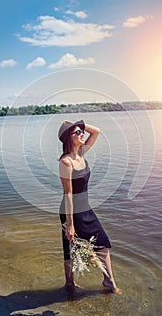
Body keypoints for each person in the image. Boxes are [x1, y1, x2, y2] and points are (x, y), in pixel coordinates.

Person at [58, 119, 121, 294]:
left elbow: (97, 131)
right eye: (76, 133)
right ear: (68, 139)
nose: (81, 134)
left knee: (102, 242)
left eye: (81, 132)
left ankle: (108, 280)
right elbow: (68, 194)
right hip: (72, 212)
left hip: (85, 208)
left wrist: (77, 125)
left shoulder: (81, 153)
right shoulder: (66, 162)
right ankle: (70, 283)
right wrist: (70, 224)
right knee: (70, 246)